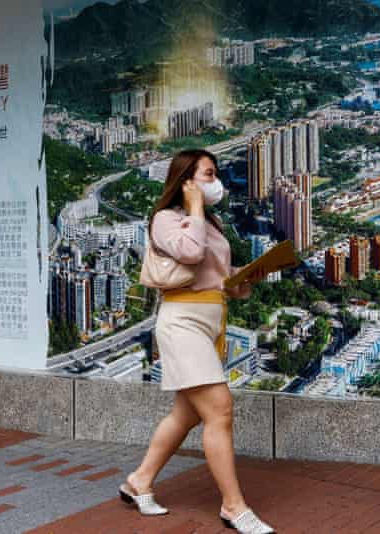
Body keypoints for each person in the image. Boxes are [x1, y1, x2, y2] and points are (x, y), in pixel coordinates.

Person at [118, 149, 275, 534]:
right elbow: (189, 252)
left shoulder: (212, 223)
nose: (215, 181)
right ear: (186, 179)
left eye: (215, 173)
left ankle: (138, 482)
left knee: (186, 415)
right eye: (207, 174)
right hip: (182, 321)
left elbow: (217, 277)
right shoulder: (165, 219)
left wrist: (246, 279)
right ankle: (233, 507)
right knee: (219, 410)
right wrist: (193, 206)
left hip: (211, 319)